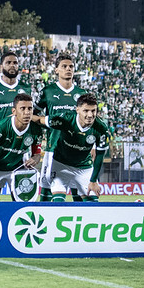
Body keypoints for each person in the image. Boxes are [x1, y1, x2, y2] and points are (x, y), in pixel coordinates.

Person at [35, 54, 90, 202]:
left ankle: (78, 224)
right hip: (53, 150)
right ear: (56, 70)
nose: (68, 69)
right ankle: (44, 223)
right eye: (64, 66)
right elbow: (34, 118)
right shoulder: (47, 92)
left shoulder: (82, 94)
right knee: (47, 192)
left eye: (71, 66)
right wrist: (37, 146)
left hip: (77, 151)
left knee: (79, 194)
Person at [37, 93, 109, 202]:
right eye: (86, 111)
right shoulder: (66, 119)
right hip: (60, 165)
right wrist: (22, 117)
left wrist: (93, 180)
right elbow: (40, 120)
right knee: (58, 202)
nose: (90, 115)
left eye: (93, 111)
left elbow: (100, 155)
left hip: (84, 168)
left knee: (93, 205)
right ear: (77, 110)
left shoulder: (101, 128)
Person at [0, 93, 44, 202]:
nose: (27, 112)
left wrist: (36, 158)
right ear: (14, 111)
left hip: (17, 169)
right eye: (22, 108)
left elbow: (37, 154)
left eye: (30, 108)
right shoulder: (1, 127)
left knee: (25, 203)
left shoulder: (36, 129)